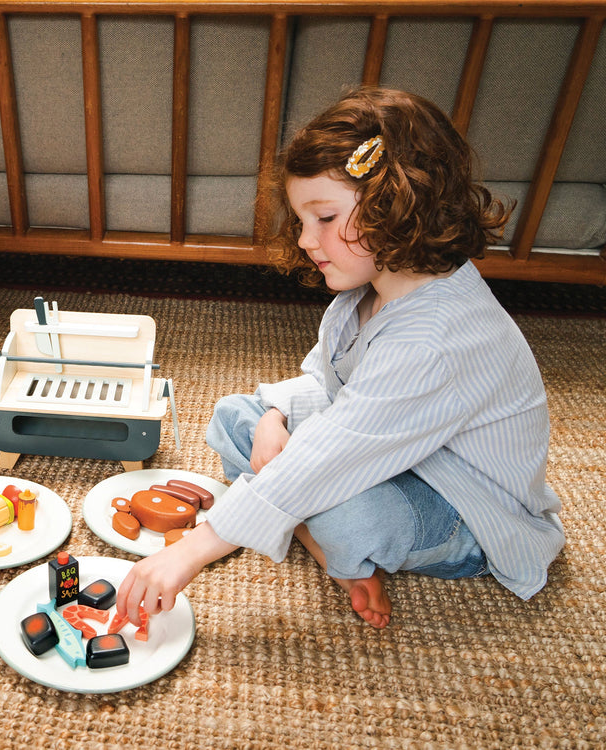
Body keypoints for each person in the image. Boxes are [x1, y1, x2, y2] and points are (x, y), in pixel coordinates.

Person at [117, 87, 564, 628]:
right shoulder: (369, 290)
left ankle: (325, 540)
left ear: (399, 206)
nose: (307, 239)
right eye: (304, 220)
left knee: (346, 514)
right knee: (238, 416)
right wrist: (277, 416)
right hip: (376, 445)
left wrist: (189, 552)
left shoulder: (435, 339)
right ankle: (309, 529)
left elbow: (336, 448)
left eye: (325, 217)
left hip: (462, 505)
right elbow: (328, 387)